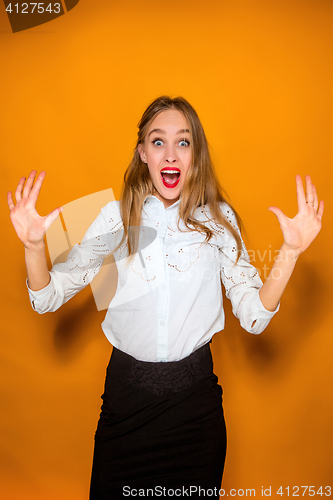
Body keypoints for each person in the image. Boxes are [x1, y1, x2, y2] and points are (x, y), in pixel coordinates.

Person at [7, 96, 324, 499]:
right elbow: (48, 296)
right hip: (126, 406)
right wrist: (35, 247)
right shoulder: (113, 216)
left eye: (183, 142)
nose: (170, 153)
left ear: (196, 154)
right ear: (142, 153)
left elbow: (253, 316)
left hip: (195, 415)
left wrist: (290, 253)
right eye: (158, 142)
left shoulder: (219, 221)